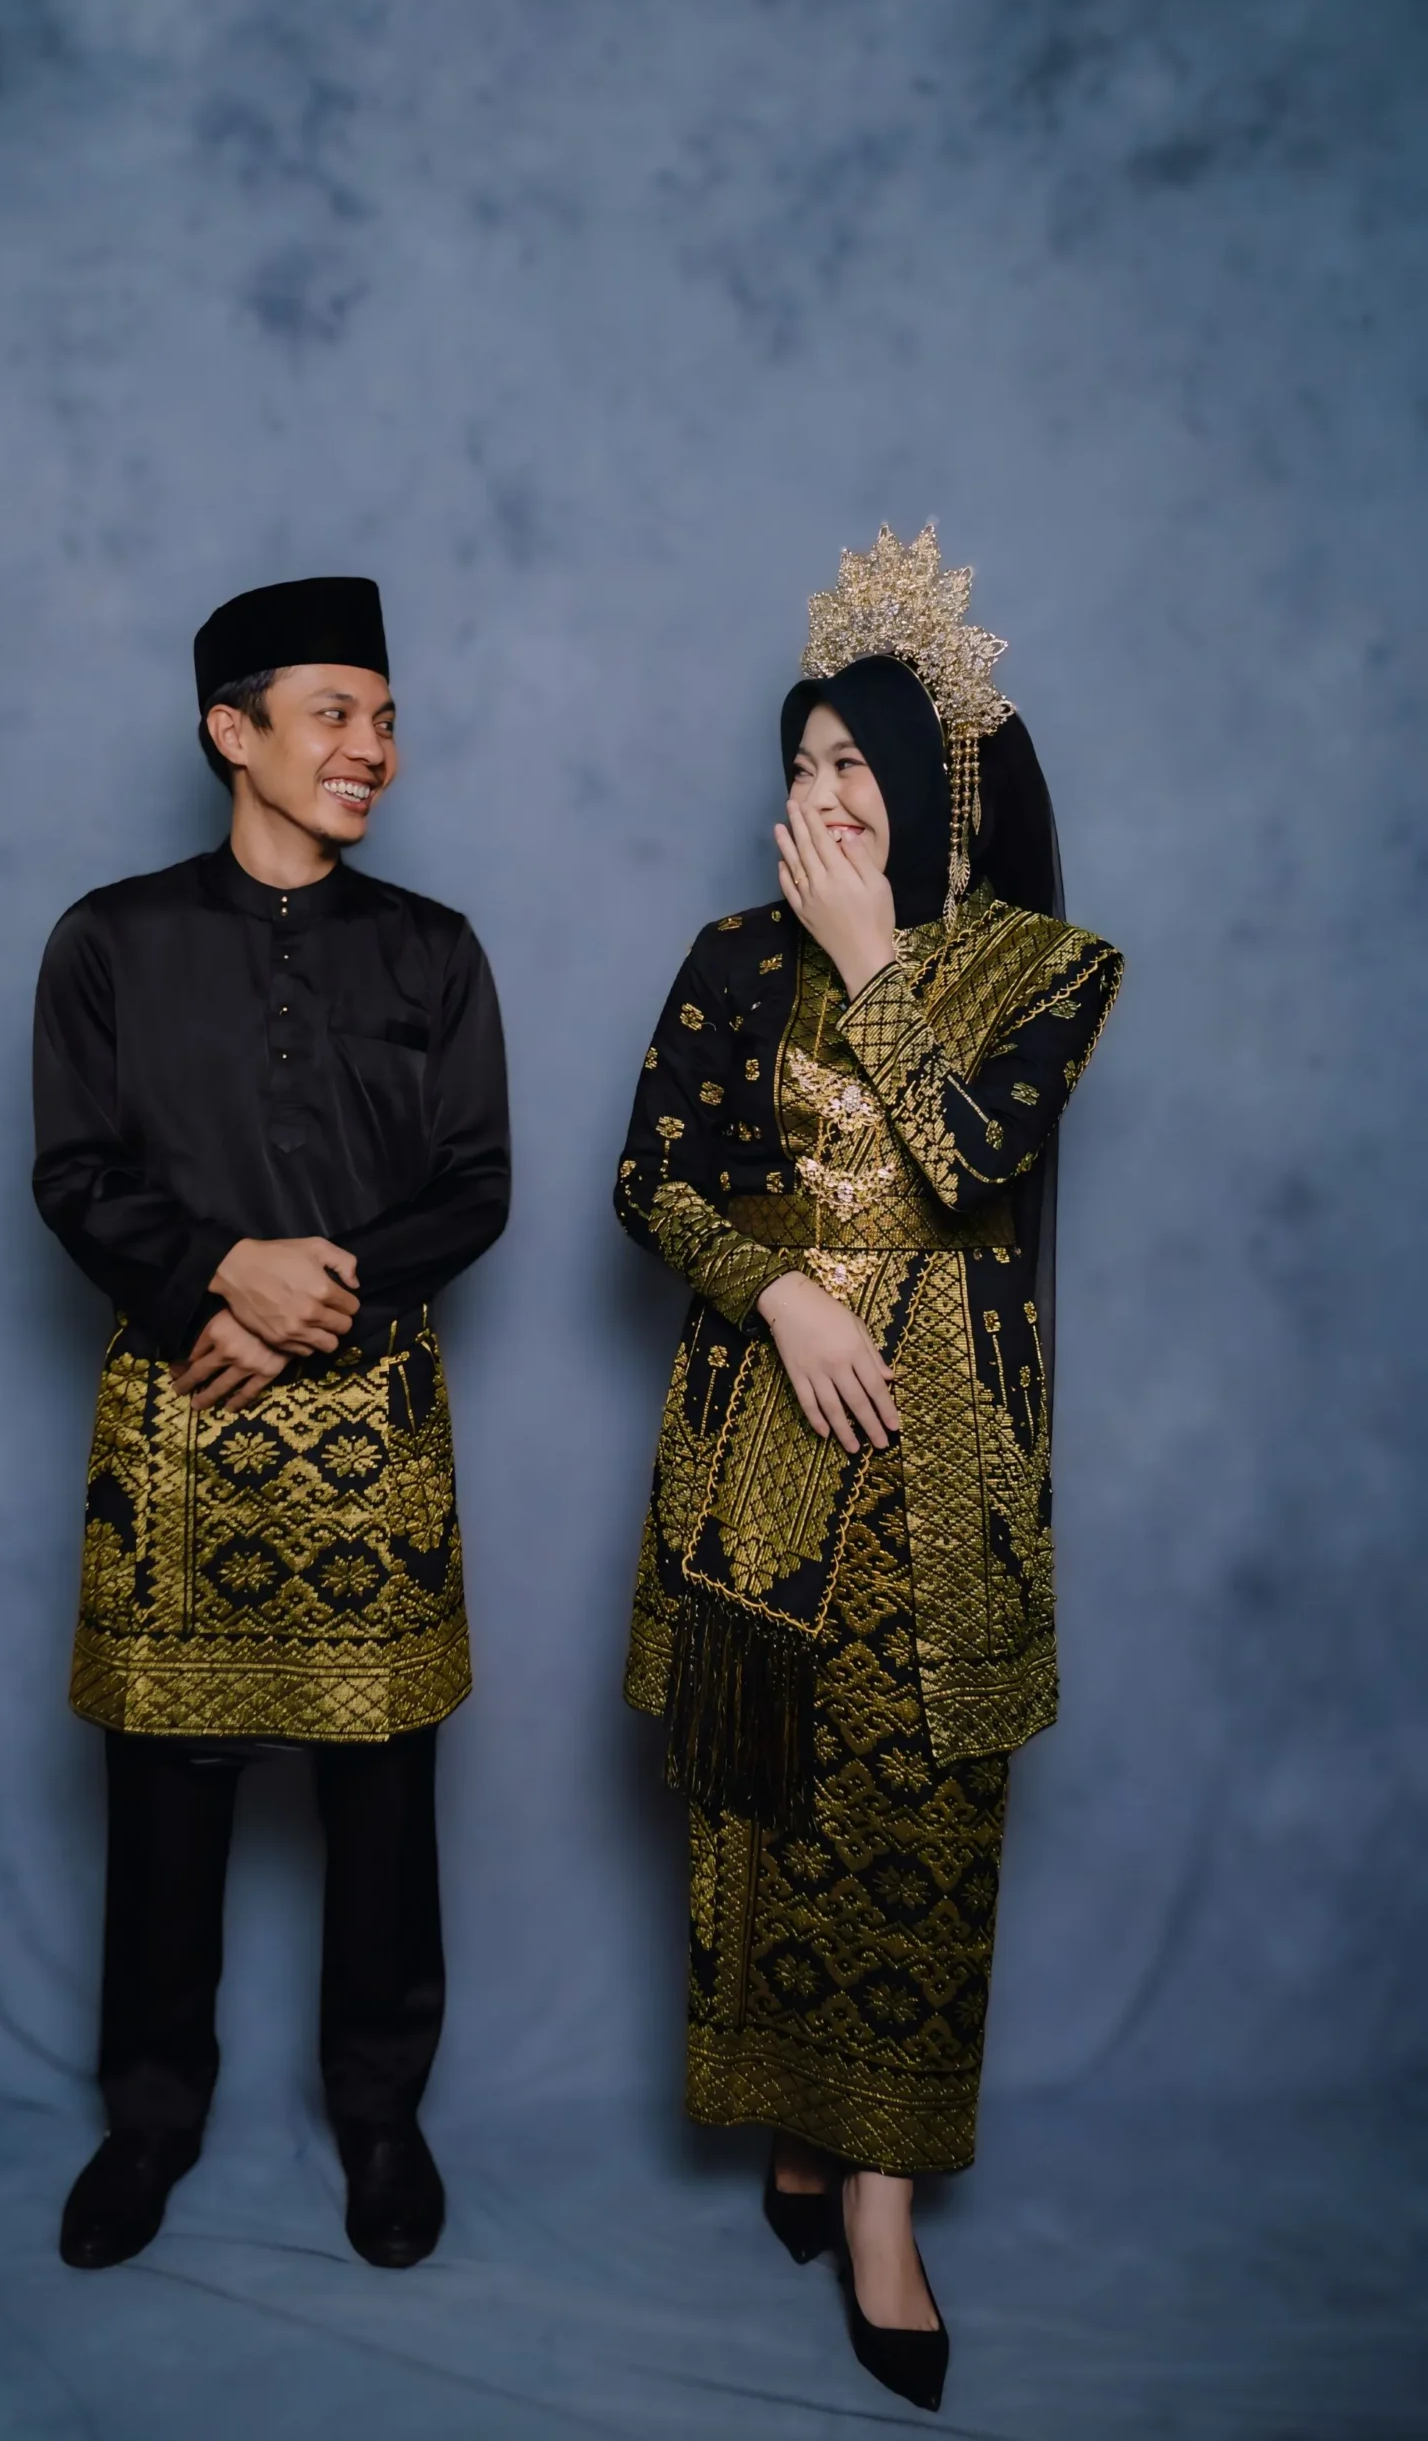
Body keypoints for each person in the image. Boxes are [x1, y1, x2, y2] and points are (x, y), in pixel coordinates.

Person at [614, 526, 1122, 2412]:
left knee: (917, 1834)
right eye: (803, 762)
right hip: (758, 1459)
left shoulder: (1047, 971)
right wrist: (782, 1295)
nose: (821, 795)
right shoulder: (729, 958)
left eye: (856, 763)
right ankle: (796, 2127)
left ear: (938, 784)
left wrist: (872, 959)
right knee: (761, 1812)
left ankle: (883, 2206)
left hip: (942, 1477)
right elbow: (649, 1178)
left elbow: (976, 1159)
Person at [33, 576, 509, 2274]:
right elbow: (74, 1173)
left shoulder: (435, 950)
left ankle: (380, 2119)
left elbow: (476, 1186)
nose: (372, 747)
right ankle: (151, 2119)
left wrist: (321, 1294)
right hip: (182, 1415)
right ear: (232, 731)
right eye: (334, 714)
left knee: (383, 1796)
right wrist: (216, 1275)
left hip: (371, 1416)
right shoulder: (110, 941)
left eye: (385, 718)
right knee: (165, 1792)